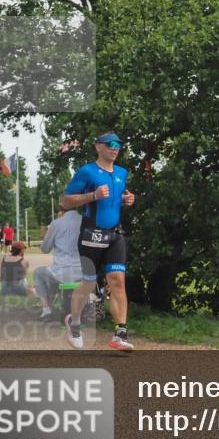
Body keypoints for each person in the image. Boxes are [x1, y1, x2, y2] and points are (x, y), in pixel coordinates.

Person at [61, 132, 135, 350]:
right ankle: (74, 323)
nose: (115, 148)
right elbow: (66, 201)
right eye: (111, 144)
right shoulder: (87, 171)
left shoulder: (122, 173)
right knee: (89, 283)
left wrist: (125, 200)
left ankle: (120, 334)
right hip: (90, 236)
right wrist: (92, 196)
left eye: (119, 144)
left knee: (118, 281)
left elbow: (112, 203)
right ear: (98, 147)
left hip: (115, 235)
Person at [33, 208, 83, 321]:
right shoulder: (85, 220)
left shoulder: (56, 223)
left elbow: (45, 249)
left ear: (62, 209)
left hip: (62, 273)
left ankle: (47, 311)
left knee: (39, 273)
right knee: (53, 275)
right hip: (83, 273)